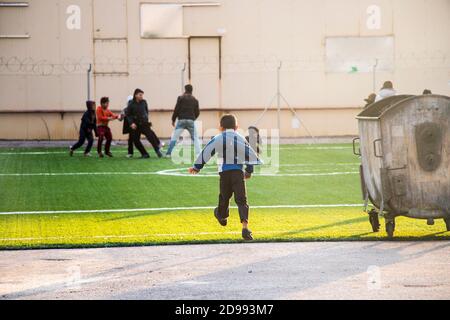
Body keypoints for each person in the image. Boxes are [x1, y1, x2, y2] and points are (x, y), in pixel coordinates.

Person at [188, 114, 262, 241]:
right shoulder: (240, 138)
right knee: (242, 200)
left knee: (224, 198)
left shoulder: (218, 137)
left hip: (224, 173)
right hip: (238, 173)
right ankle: (245, 228)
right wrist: (249, 171)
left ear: (220, 127)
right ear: (236, 126)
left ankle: (221, 215)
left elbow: (207, 151)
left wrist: (197, 167)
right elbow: (248, 154)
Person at [126, 88, 163, 159]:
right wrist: (131, 123)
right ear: (136, 95)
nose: (141, 96)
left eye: (142, 95)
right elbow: (128, 115)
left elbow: (146, 111)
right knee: (136, 140)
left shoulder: (144, 102)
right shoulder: (131, 104)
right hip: (136, 125)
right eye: (140, 95)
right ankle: (145, 154)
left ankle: (158, 151)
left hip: (144, 124)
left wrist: (146, 119)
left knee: (151, 137)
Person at [166, 84, 201, 158]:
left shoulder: (180, 98)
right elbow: (197, 112)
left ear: (185, 89)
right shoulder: (195, 100)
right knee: (195, 138)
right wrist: (193, 118)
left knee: (174, 137)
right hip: (191, 120)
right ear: (192, 90)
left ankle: (169, 153)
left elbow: (176, 109)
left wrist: (173, 119)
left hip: (181, 120)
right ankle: (198, 154)